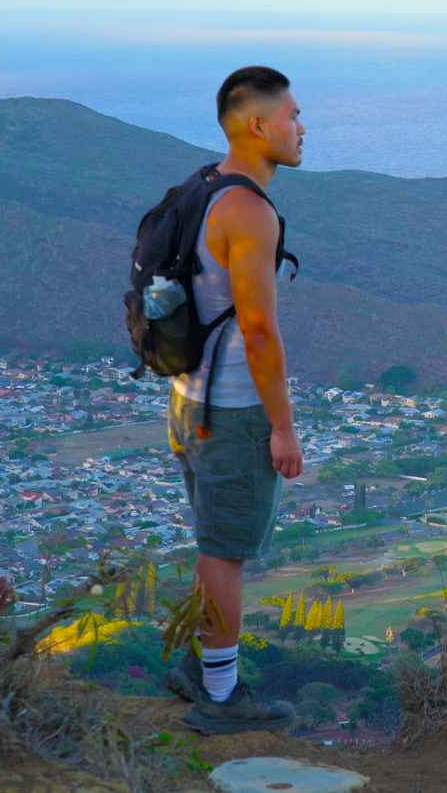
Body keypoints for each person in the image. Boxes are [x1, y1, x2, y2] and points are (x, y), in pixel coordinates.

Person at [163, 66, 305, 733]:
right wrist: (283, 427)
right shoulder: (249, 209)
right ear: (257, 125)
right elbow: (257, 329)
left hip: (188, 397)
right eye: (292, 117)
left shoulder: (204, 186)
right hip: (233, 409)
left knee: (212, 542)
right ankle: (220, 696)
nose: (301, 129)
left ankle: (200, 666)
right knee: (226, 551)